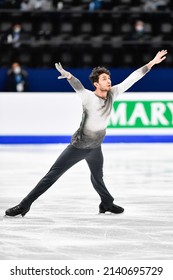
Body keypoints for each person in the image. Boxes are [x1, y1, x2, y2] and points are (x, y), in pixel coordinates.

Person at [5, 49, 167, 217]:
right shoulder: (89, 98)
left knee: (98, 178)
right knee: (51, 176)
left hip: (95, 147)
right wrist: (69, 77)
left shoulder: (113, 94)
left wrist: (152, 63)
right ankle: (24, 205)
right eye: (104, 79)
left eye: (109, 78)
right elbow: (78, 87)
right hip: (78, 147)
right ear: (96, 84)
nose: (109, 81)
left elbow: (133, 78)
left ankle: (106, 203)